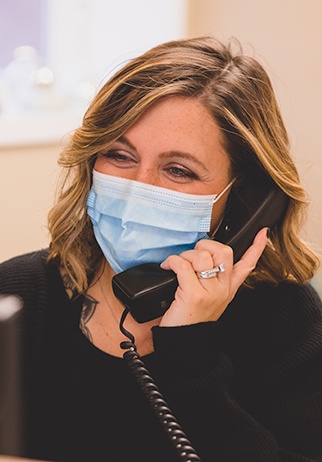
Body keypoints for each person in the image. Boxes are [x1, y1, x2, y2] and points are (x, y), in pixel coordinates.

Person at [0, 36, 321, 462]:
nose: (138, 187)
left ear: (243, 199)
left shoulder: (284, 318)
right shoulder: (18, 295)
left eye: (178, 170)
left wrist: (189, 351)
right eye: (119, 155)